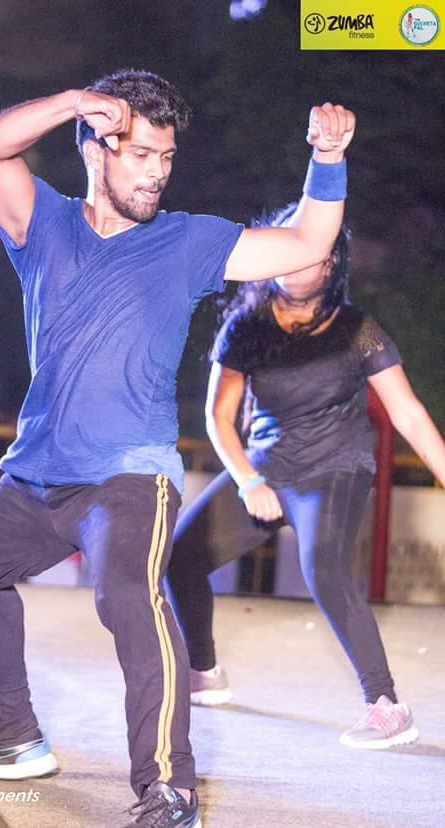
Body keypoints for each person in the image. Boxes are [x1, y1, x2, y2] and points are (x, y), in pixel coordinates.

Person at [0, 68, 354, 827]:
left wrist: (327, 159)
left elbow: (307, 241)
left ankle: (169, 788)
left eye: (166, 157)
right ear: (95, 148)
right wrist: (71, 101)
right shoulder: (42, 223)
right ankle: (10, 736)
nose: (158, 172)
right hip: (37, 473)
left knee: (128, 593)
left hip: (129, 475)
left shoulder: (186, 242)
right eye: (141, 155)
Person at [167, 204, 445, 751]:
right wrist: (248, 479)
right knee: (180, 558)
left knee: (324, 567)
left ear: (329, 262)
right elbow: (219, 418)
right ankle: (204, 672)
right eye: (286, 249)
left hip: (336, 467)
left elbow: (408, 414)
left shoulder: (356, 330)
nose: (294, 264)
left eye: (308, 253)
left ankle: (386, 706)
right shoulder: (246, 326)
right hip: (267, 469)